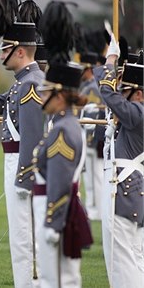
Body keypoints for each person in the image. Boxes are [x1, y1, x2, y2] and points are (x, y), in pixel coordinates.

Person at [0, 22, 45, 287]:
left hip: (22, 165)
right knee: (22, 237)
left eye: (5, 49)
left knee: (24, 238)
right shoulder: (23, 83)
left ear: (20, 52)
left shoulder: (30, 84)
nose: (0, 54)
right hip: (16, 162)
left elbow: (32, 136)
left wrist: (24, 178)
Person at [32, 62, 92, 288]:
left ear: (59, 96)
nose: (42, 96)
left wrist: (53, 223)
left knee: (56, 280)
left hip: (55, 214)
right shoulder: (66, 124)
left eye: (46, 92)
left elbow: (59, 182)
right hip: (55, 211)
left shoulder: (62, 130)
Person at [93, 32, 144, 288]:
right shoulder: (136, 113)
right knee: (134, 258)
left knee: (122, 263)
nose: (121, 94)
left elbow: (108, 95)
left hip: (124, 192)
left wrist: (111, 62)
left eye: (126, 90)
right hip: (132, 191)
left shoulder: (138, 111)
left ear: (138, 93)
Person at [78, 52, 104, 220]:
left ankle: (97, 209)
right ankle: (92, 207)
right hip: (88, 136)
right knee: (89, 177)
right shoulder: (87, 86)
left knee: (96, 177)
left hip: (93, 137)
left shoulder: (93, 87)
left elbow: (96, 113)